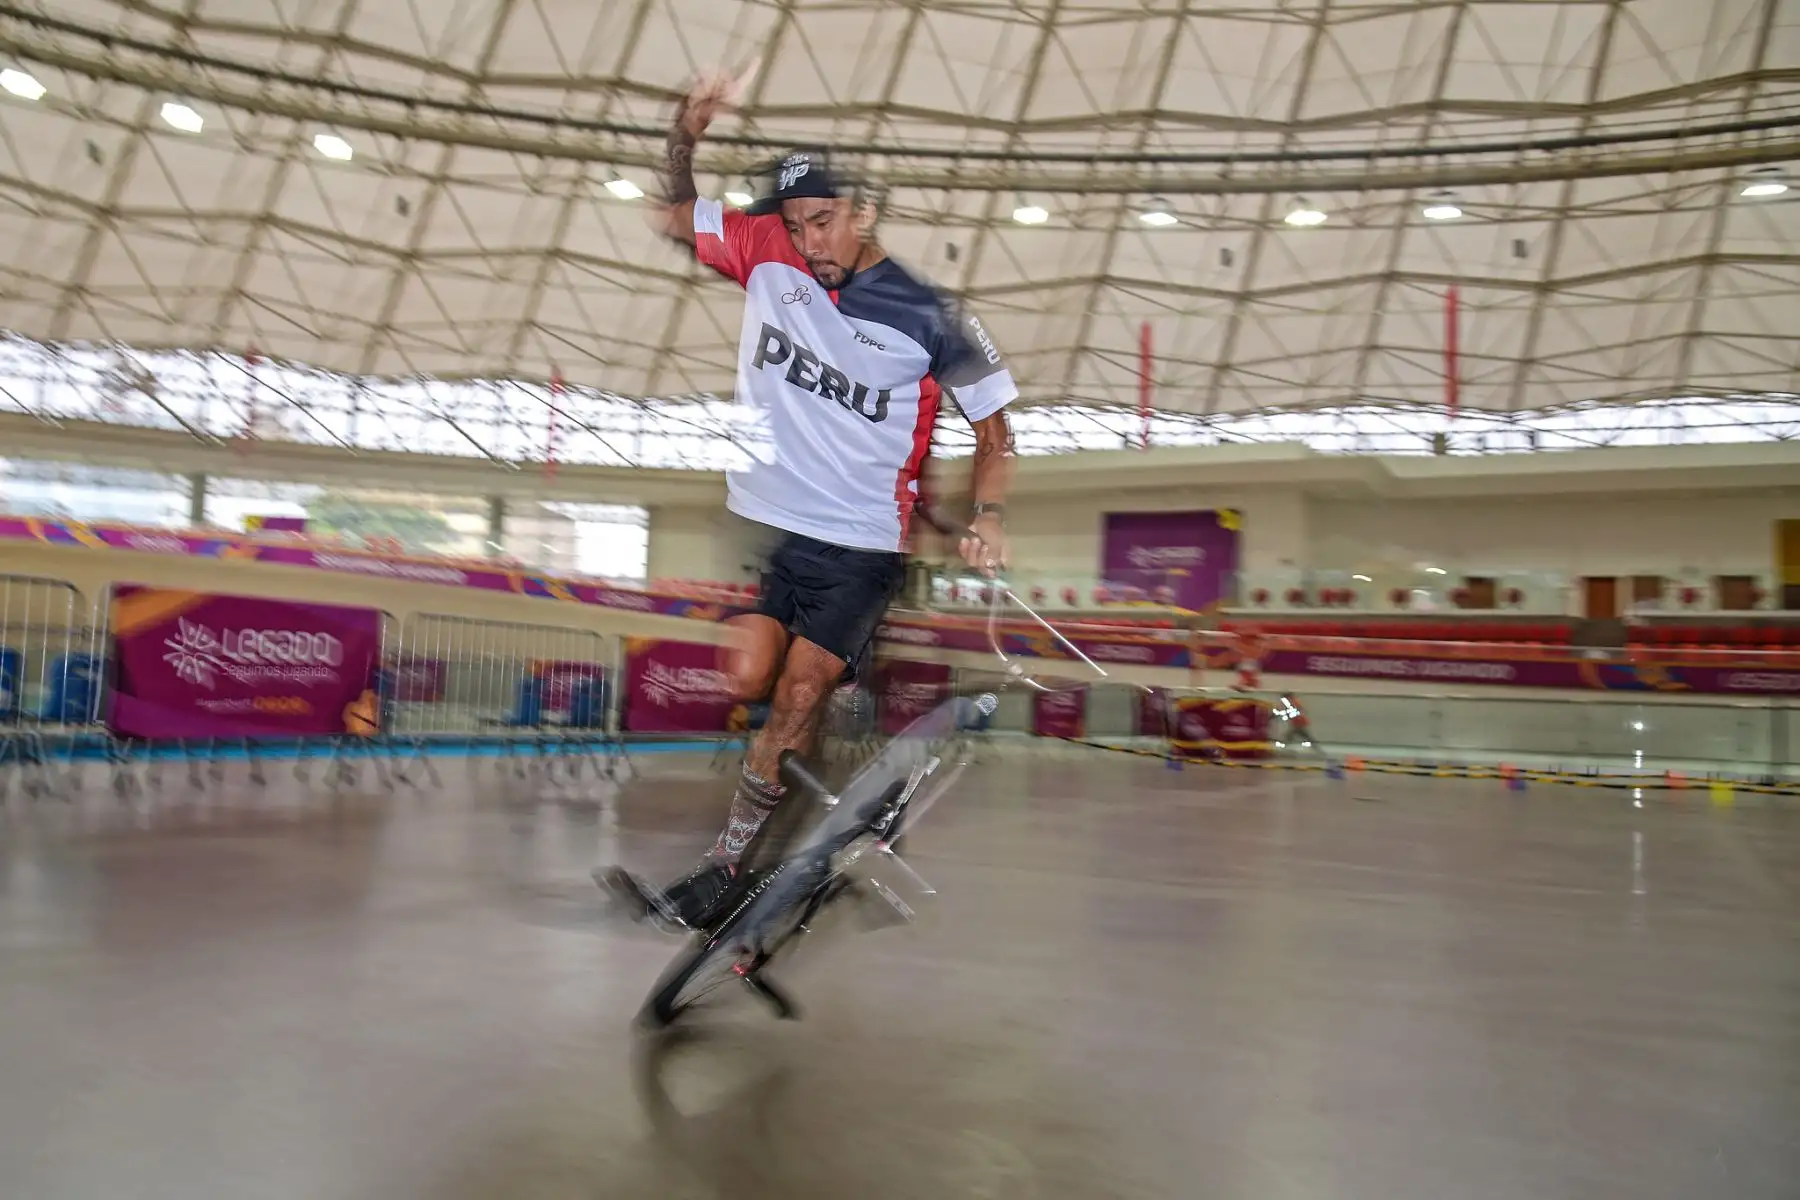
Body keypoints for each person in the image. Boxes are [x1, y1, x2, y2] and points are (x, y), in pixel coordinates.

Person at [603, 71, 1019, 929]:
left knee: (797, 694)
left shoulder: (928, 314)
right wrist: (685, 132)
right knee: (754, 678)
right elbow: (674, 212)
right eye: (796, 225)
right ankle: (818, 797)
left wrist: (989, 516)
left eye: (823, 221)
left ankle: (724, 869)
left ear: (864, 213)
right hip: (779, 530)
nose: (809, 241)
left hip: (863, 544)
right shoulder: (766, 248)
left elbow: (996, 432)